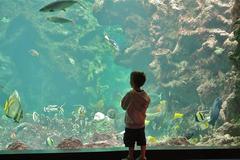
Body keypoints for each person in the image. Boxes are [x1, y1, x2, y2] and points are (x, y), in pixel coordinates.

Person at [121, 71, 151, 160]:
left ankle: (130, 156)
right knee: (142, 141)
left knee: (130, 142)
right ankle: (142, 156)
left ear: (132, 83)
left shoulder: (130, 94)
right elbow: (148, 102)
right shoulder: (145, 95)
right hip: (141, 124)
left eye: (130, 80)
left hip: (130, 124)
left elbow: (123, 106)